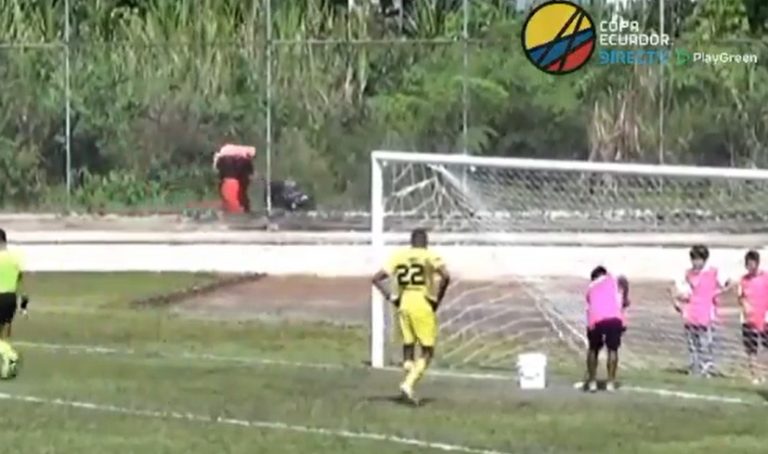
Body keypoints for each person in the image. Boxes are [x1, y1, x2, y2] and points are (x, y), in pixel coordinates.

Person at [371, 228, 451, 404]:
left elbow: (376, 278)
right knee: (428, 351)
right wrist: (437, 298)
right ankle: (408, 383)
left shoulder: (399, 256)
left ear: (412, 241)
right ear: (426, 242)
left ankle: (410, 371)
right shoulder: (430, 256)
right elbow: (446, 276)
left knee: (408, 345)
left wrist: (391, 297)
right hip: (422, 303)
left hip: (404, 302)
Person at [671, 244, 731, 377]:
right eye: (694, 259)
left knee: (706, 343)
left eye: (699, 259)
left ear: (705, 259)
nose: (696, 262)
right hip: (690, 313)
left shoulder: (713, 272)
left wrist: (717, 293)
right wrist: (677, 300)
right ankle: (695, 368)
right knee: (692, 344)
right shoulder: (687, 273)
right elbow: (677, 289)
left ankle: (706, 368)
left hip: (706, 314)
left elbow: (728, 283)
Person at [582, 266, 629, 393]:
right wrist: (625, 300)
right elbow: (623, 287)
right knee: (612, 350)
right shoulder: (614, 279)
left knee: (593, 349)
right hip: (614, 318)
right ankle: (610, 382)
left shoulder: (591, 287)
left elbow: (590, 305)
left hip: (596, 318)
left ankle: (592, 381)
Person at [737, 250, 768, 384]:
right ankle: (755, 375)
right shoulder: (743, 280)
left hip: (765, 318)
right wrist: (745, 306)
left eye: (753, 263)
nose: (751, 266)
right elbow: (740, 297)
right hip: (748, 320)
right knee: (751, 349)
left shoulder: (765, 277)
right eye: (748, 264)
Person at [0, 228, 24, 380]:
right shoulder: (15, 257)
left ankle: (10, 357)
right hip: (11, 297)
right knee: (2, 335)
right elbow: (20, 276)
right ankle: (5, 364)